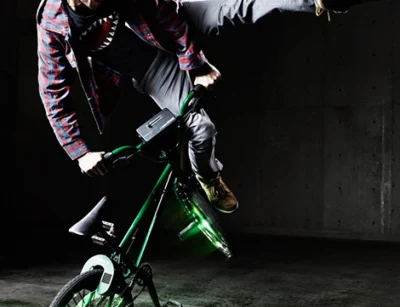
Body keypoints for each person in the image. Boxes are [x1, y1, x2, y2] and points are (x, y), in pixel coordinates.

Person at [36, 0, 377, 214]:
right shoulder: (52, 23)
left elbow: (167, 17)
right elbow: (53, 90)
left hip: (177, 17)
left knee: (236, 5)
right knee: (202, 129)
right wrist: (80, 152)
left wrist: (196, 64)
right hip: (151, 67)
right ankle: (208, 175)